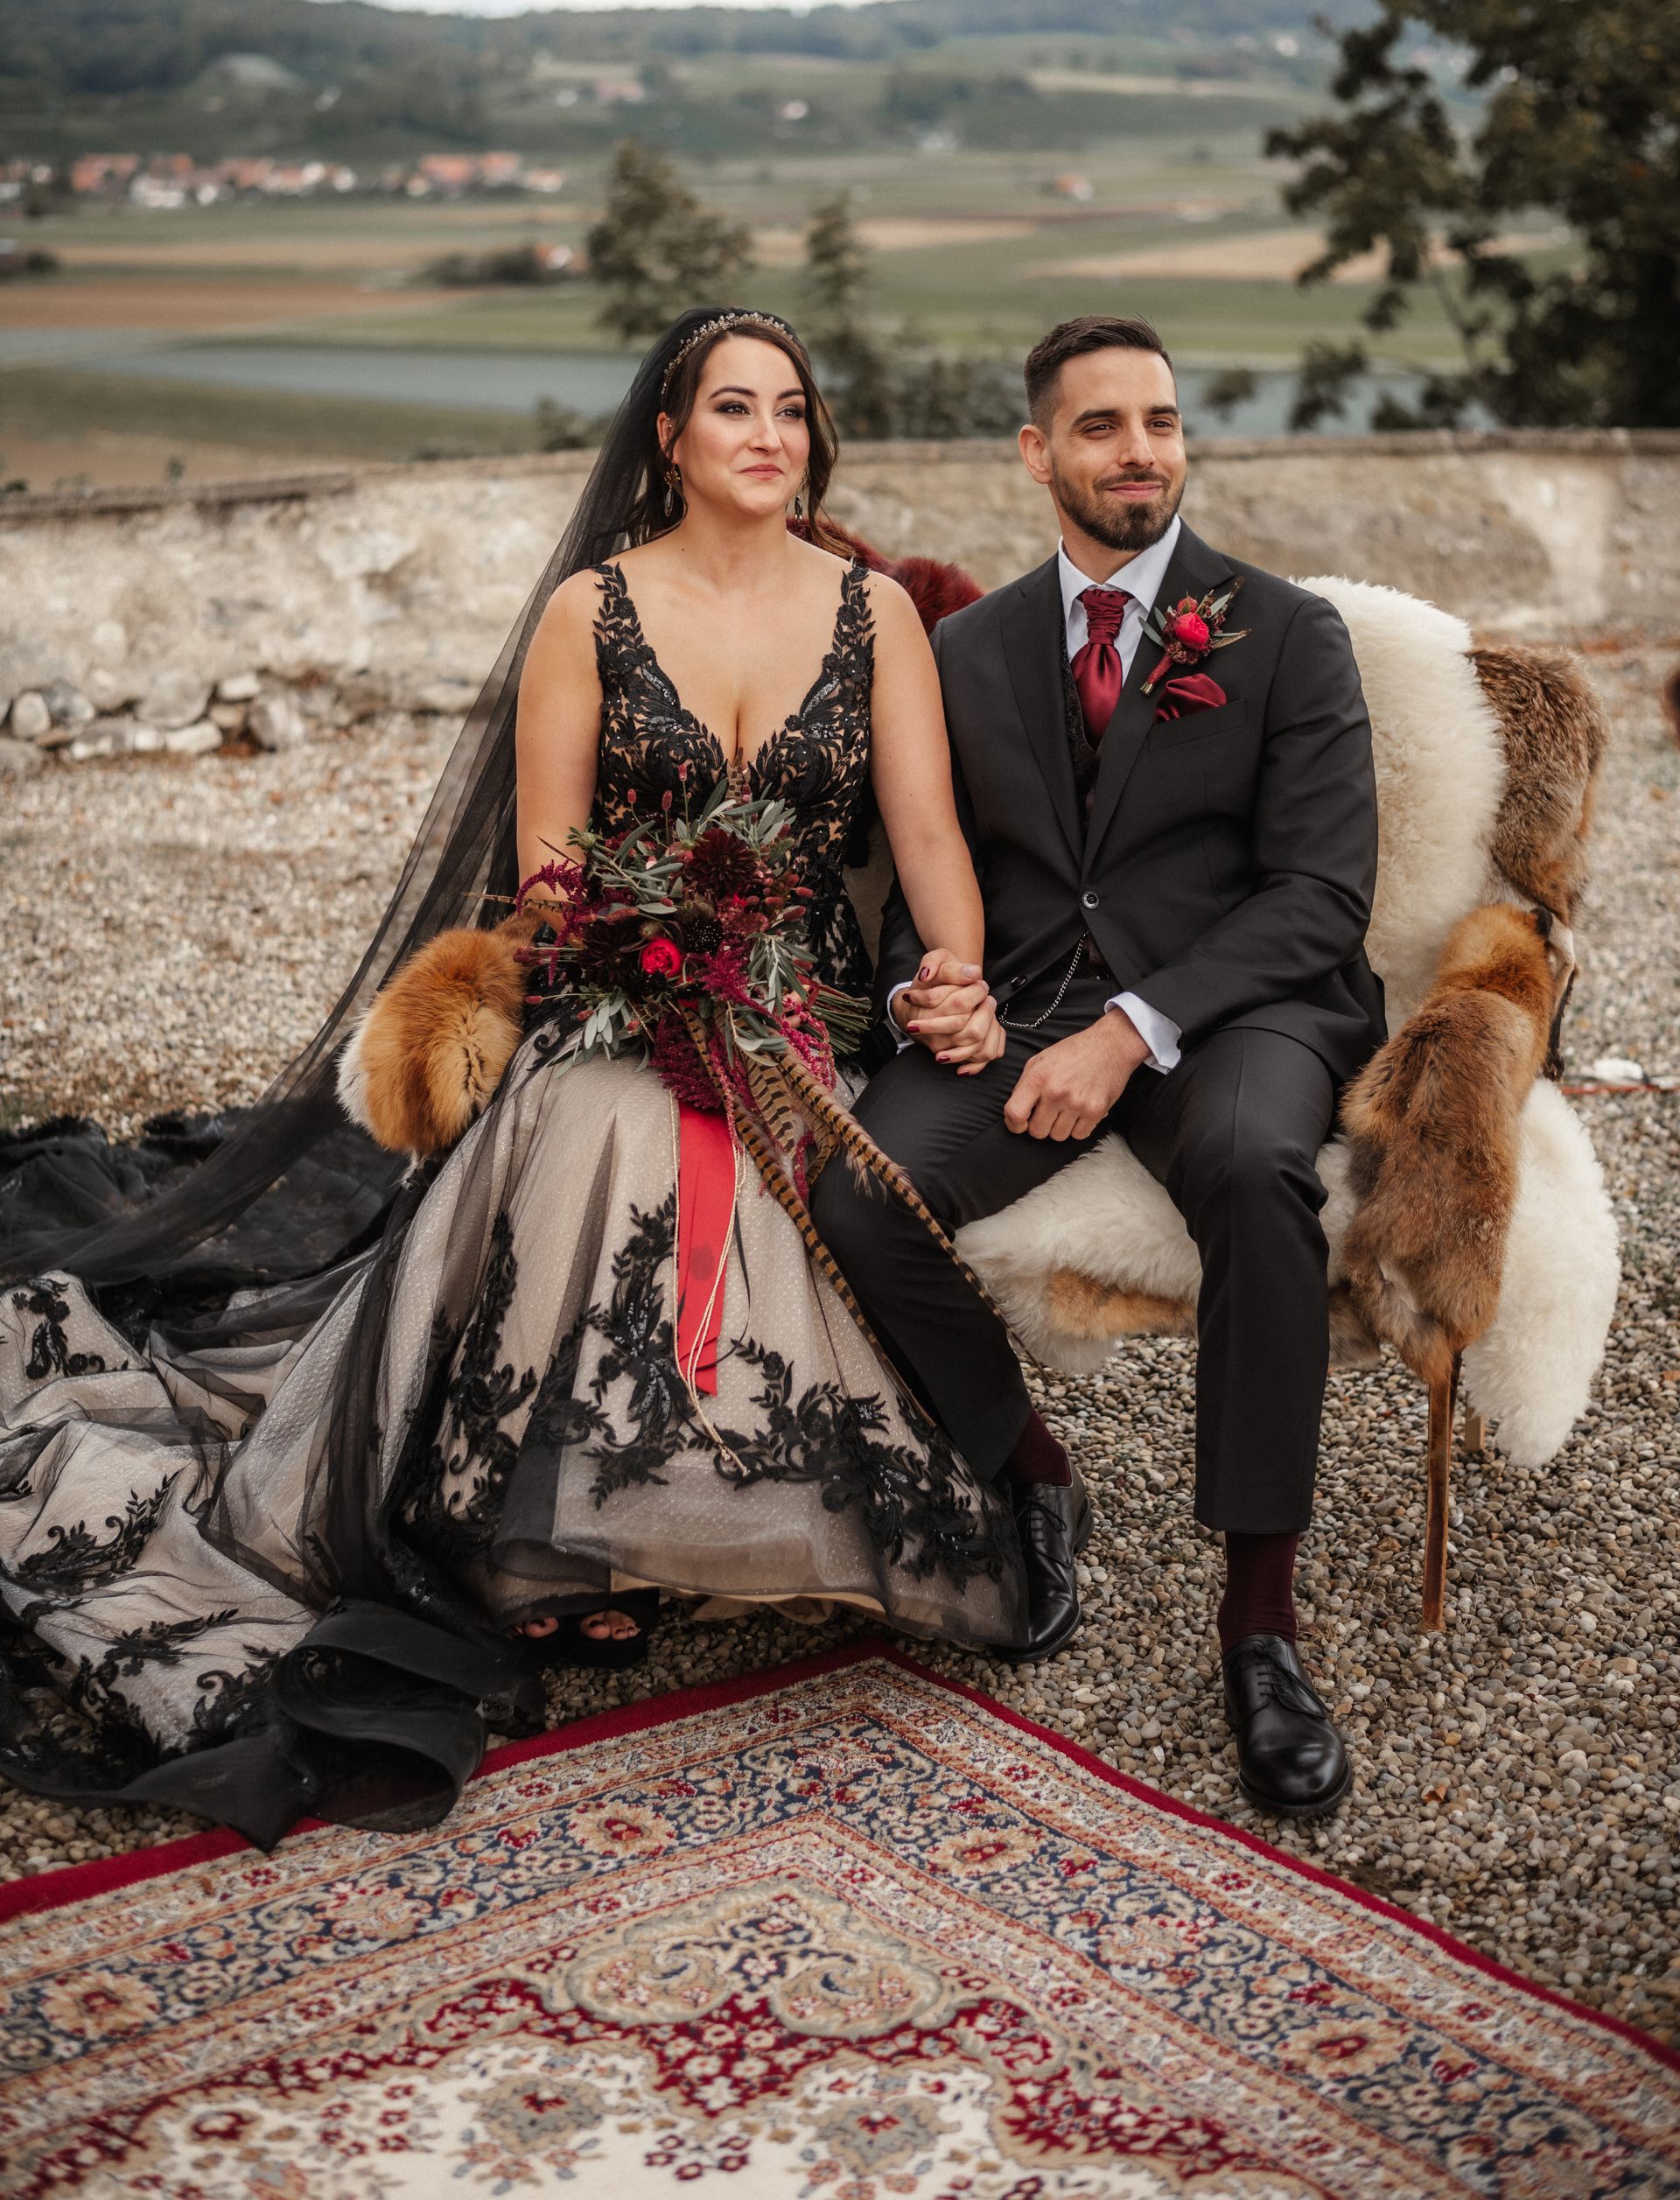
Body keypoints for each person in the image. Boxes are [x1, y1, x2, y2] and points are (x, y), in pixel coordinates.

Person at [0, 308, 1026, 1850]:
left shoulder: (874, 613)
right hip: (623, 987)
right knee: (607, 1124)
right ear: (668, 437)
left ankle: (713, 1495)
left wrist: (956, 974)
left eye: (792, 410)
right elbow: (549, 867)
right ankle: (570, 1533)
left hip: (805, 1008)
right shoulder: (590, 613)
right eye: (732, 407)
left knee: (782, 1159)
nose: (769, 434)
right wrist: (652, 952)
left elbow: (927, 833)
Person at [811, 313, 1386, 1818]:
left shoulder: (1285, 631)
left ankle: (1260, 1624)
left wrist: (1133, 1031)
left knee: (1257, 1173)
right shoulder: (962, 650)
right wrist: (930, 992)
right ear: (1037, 452)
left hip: (1238, 1007)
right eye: (1102, 425)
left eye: (1162, 422)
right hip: (1023, 1007)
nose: (1141, 452)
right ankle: (1031, 1472)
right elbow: (931, 872)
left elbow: (1321, 896)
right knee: (861, 1189)